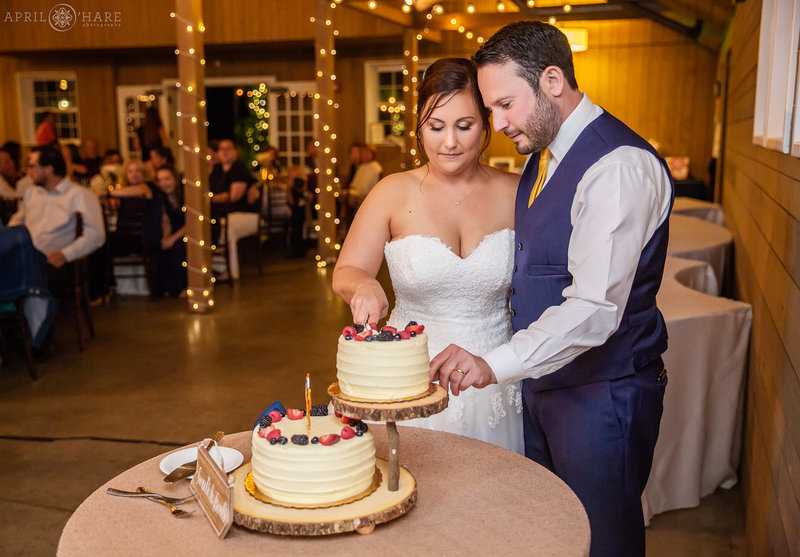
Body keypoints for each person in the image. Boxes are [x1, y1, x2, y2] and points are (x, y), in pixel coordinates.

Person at [430, 22, 673, 557]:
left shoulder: (618, 167)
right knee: (553, 534)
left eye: (506, 105)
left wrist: (494, 363)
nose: (498, 123)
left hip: (601, 397)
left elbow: (593, 310)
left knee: (603, 540)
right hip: (543, 387)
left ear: (553, 79)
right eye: (491, 109)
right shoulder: (544, 154)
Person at [332, 58, 523, 454]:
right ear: (419, 127)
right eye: (435, 128)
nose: (449, 142)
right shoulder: (391, 192)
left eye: (464, 126)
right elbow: (347, 270)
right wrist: (364, 284)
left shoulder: (517, 192)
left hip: (496, 376)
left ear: (486, 125)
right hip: (411, 379)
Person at [209, 139, 257, 280]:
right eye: (221, 149)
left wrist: (208, 199)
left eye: (228, 148)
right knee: (212, 228)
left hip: (244, 213)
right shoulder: (217, 170)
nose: (224, 152)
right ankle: (215, 267)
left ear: (235, 152)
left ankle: (230, 271)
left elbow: (234, 195)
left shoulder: (238, 168)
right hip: (222, 214)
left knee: (227, 230)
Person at [153, 166, 186, 297]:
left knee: (179, 247)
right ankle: (170, 288)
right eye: (160, 180)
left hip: (192, 230)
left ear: (175, 179)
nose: (164, 183)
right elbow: (165, 220)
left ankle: (184, 286)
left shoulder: (186, 194)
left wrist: (172, 239)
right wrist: (167, 238)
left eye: (167, 179)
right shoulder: (162, 199)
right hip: (176, 230)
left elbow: (192, 222)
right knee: (162, 247)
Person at [348, 144, 382, 210]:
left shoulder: (375, 167)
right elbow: (354, 184)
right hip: (356, 196)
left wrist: (352, 193)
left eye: (366, 153)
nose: (364, 155)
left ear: (372, 154)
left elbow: (365, 189)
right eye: (362, 153)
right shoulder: (361, 166)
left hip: (367, 199)